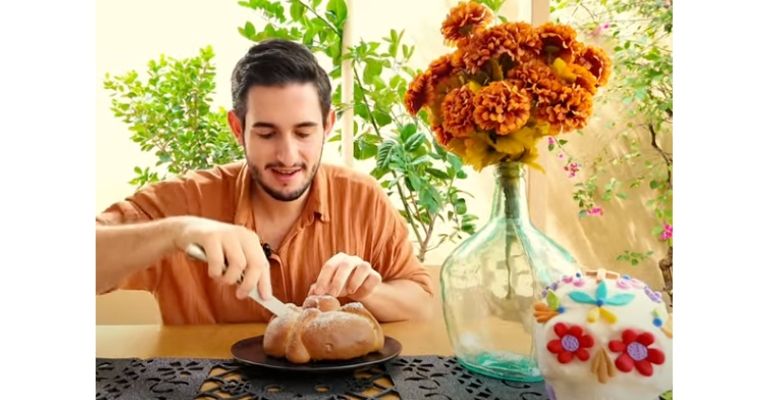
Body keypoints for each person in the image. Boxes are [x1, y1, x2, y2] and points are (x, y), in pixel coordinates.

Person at [96, 39, 434, 324]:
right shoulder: (187, 199)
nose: (287, 156)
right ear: (238, 128)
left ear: (328, 125)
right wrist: (177, 233)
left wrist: (368, 291)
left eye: (304, 132)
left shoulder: (362, 198)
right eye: (267, 133)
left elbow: (421, 304)